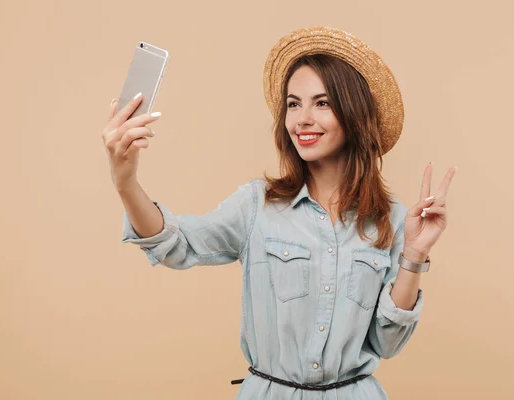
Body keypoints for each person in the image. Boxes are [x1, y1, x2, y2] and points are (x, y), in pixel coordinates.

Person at [101, 26, 456, 400]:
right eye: (293, 103)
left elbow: (388, 342)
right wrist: (126, 182)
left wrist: (414, 256)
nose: (302, 119)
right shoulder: (257, 204)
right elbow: (177, 244)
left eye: (322, 103)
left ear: (354, 114)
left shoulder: (394, 220)